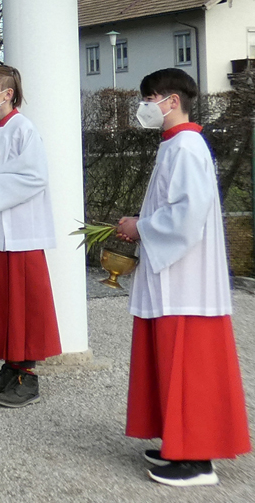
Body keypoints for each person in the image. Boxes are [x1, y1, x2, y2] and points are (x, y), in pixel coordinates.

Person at [116, 68, 249, 487]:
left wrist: (141, 228)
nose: (144, 107)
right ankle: (179, 441)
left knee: (188, 366)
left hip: (186, 280)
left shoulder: (187, 146)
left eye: (150, 97)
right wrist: (144, 223)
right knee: (171, 362)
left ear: (171, 101)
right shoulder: (174, 145)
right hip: (171, 273)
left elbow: (187, 215)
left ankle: (197, 460)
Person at [0, 65, 61, 408]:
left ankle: (28, 374)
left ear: (8, 94)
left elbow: (34, 176)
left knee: (23, 301)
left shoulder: (24, 129)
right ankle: (9, 365)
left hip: (20, 229)